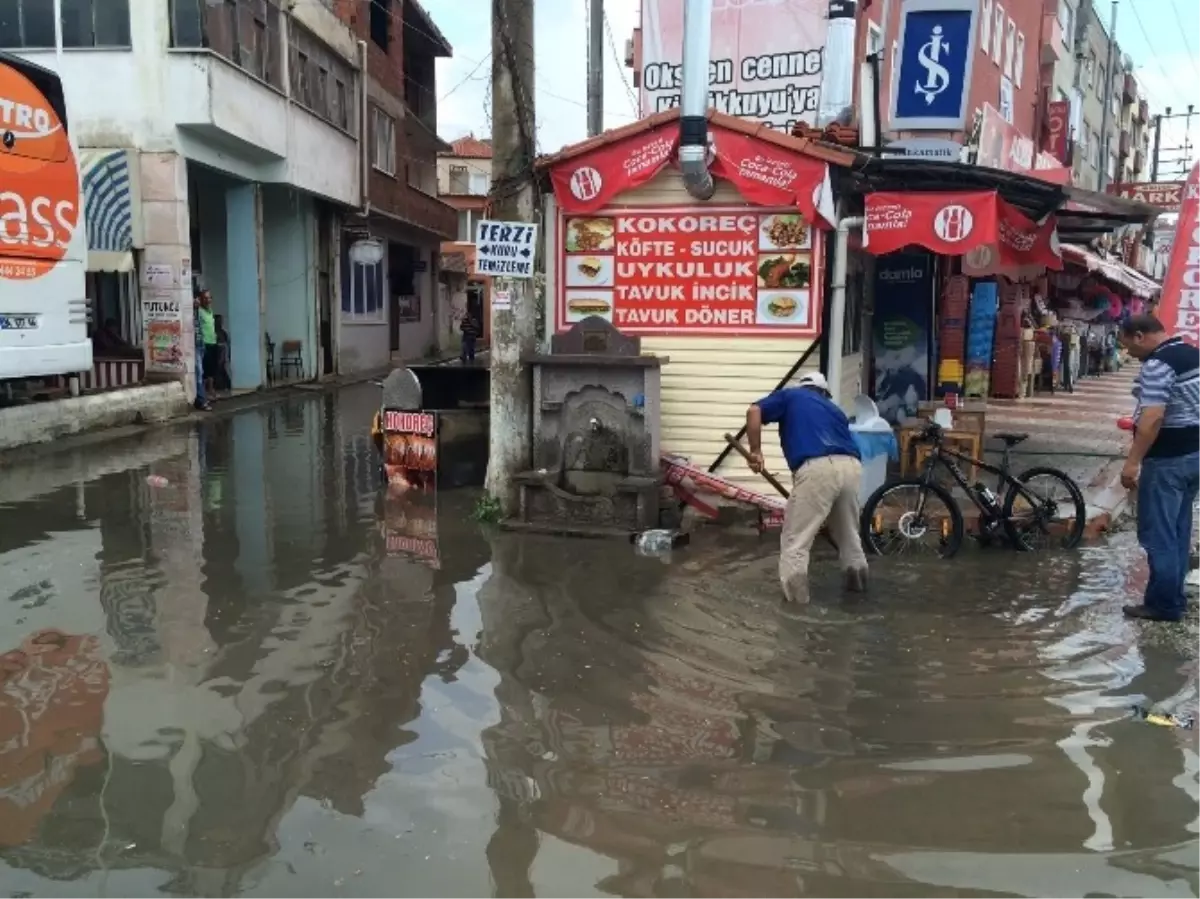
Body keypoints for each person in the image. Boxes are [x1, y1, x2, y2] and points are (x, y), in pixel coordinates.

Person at [745, 371, 869, 602]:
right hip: (852, 467)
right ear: (824, 393)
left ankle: (796, 608)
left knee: (796, 542)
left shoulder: (791, 395)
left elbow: (754, 410)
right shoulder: (835, 410)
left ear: (803, 387)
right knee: (849, 536)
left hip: (817, 467)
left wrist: (755, 451)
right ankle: (858, 592)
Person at [1118, 314, 1200, 622]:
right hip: (1195, 455)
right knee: (1178, 529)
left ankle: (1164, 606)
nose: (1128, 352)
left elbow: (1151, 419)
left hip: (1168, 461)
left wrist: (1132, 462)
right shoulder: (1193, 355)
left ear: (1139, 336)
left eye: (1127, 345)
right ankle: (1173, 597)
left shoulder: (1158, 365)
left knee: (1159, 534)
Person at [197, 289, 219, 395]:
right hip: (204, 342)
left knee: (213, 367)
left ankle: (211, 390)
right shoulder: (199, 311)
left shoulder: (210, 311)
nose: (207, 300)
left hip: (213, 342)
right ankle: (206, 391)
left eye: (209, 298)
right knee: (205, 368)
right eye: (205, 298)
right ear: (201, 300)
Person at [193, 295, 211, 411]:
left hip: (200, 344)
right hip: (193, 346)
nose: (197, 302)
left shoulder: (199, 313)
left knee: (201, 372)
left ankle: (202, 397)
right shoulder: (189, 313)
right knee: (199, 372)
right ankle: (201, 400)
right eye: (196, 300)